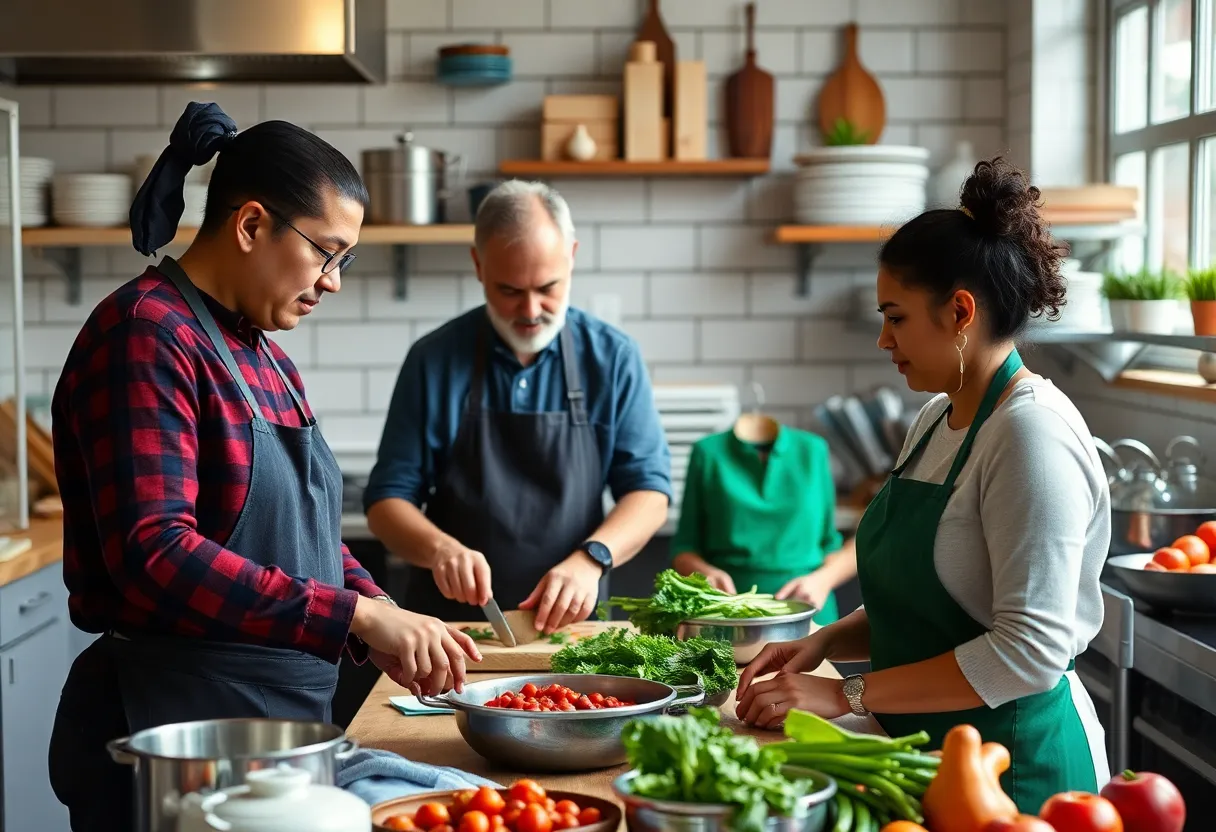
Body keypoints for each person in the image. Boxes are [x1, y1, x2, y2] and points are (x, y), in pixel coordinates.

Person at [47, 102, 480, 832]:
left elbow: (303, 536)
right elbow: (154, 555)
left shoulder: (266, 358)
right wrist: (358, 615)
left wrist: (385, 614)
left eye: (345, 260)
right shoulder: (146, 335)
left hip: (272, 740)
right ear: (251, 226)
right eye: (326, 252)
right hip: (177, 741)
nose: (334, 281)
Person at [735, 158, 1111, 813]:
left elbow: (1028, 653)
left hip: (1018, 781)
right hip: (921, 761)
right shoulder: (937, 416)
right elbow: (933, 607)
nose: (884, 338)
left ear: (960, 311)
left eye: (896, 317)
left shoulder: (1030, 437)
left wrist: (845, 693)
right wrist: (827, 639)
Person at [364, 180, 672, 633]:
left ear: (572, 255)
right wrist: (440, 550)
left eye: (548, 287)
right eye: (509, 290)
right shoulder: (433, 359)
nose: (530, 309)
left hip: (576, 633)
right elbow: (387, 501)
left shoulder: (613, 358)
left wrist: (593, 558)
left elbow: (649, 493)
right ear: (478, 265)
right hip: (449, 635)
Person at [669, 424, 857, 625]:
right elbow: (684, 549)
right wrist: (704, 573)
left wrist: (824, 580)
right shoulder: (706, 452)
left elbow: (829, 543)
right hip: (725, 616)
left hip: (809, 611)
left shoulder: (813, 450)